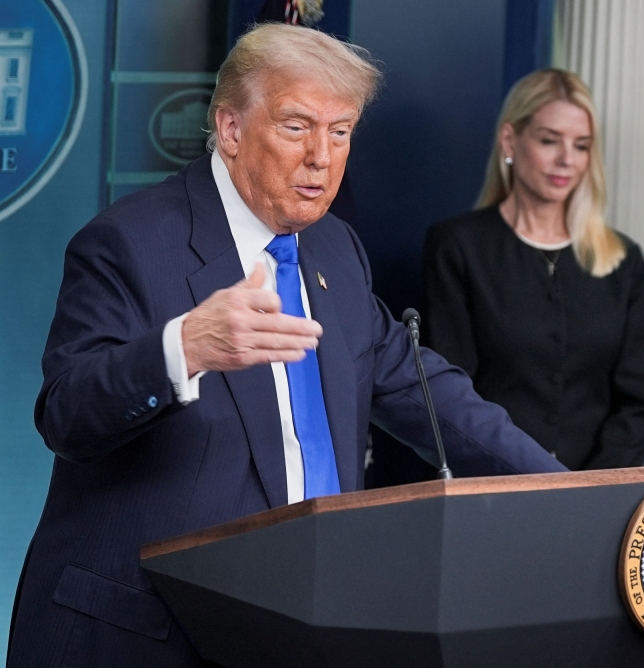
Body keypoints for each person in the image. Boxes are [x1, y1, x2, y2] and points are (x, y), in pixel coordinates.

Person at [7, 24, 566, 667]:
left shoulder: (334, 248)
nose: (321, 158)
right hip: (146, 634)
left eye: (341, 131)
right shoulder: (128, 243)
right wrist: (183, 348)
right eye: (297, 127)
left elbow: (421, 386)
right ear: (232, 129)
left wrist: (564, 492)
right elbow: (67, 416)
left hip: (294, 627)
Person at [422, 69, 644, 471]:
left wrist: (593, 491)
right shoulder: (458, 246)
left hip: (599, 496)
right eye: (550, 141)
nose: (567, 159)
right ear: (510, 140)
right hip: (491, 488)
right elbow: (451, 392)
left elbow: (639, 401)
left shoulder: (623, 258)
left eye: (581, 146)